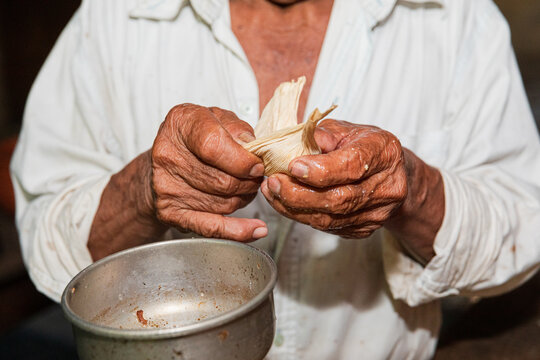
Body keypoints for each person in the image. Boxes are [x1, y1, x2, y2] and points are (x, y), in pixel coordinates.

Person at [10, 0, 540, 358]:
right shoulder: (114, 17)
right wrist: (143, 188)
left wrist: (411, 192)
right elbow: (46, 235)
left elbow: (522, 228)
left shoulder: (454, 18)